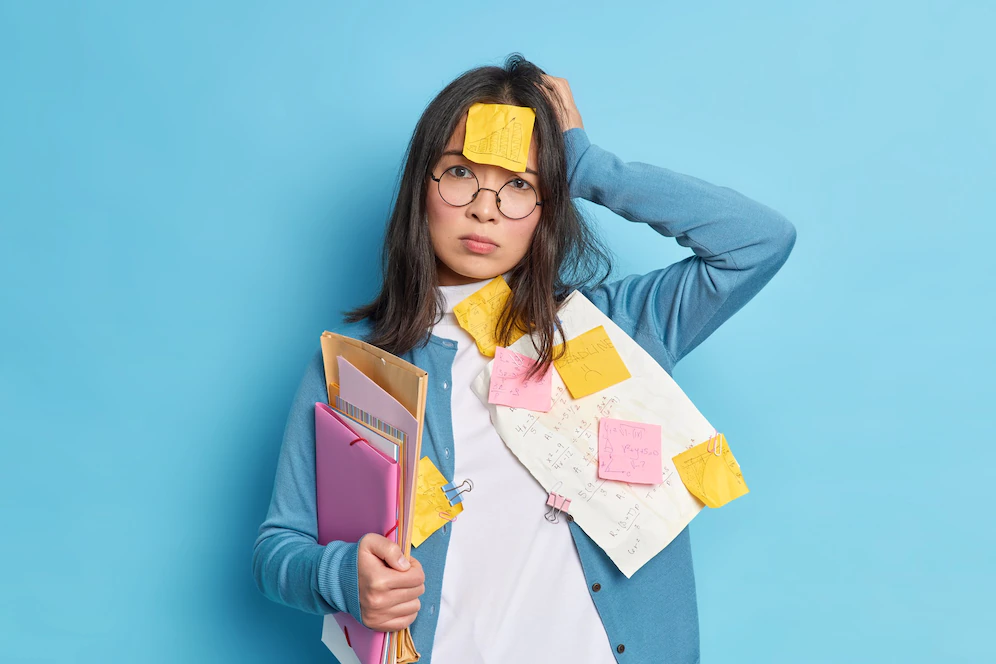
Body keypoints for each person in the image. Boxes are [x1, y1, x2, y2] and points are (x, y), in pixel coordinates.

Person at [253, 54, 796, 663]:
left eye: (520, 184)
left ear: (547, 207)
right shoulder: (358, 370)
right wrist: (342, 578)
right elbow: (280, 546)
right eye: (460, 173)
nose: (486, 208)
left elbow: (758, 241)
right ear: (420, 189)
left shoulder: (617, 330)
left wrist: (588, 167)